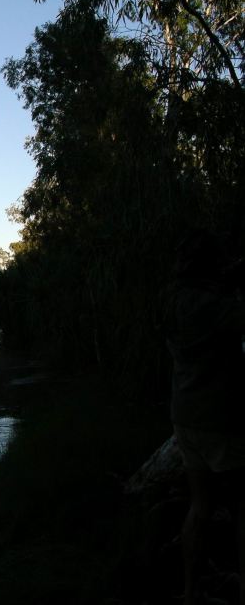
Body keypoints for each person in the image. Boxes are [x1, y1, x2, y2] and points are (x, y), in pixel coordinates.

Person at [165, 230, 245, 605]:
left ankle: (190, 591)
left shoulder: (172, 300)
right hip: (221, 418)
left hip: (185, 414)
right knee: (242, 506)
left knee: (200, 505)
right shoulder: (219, 306)